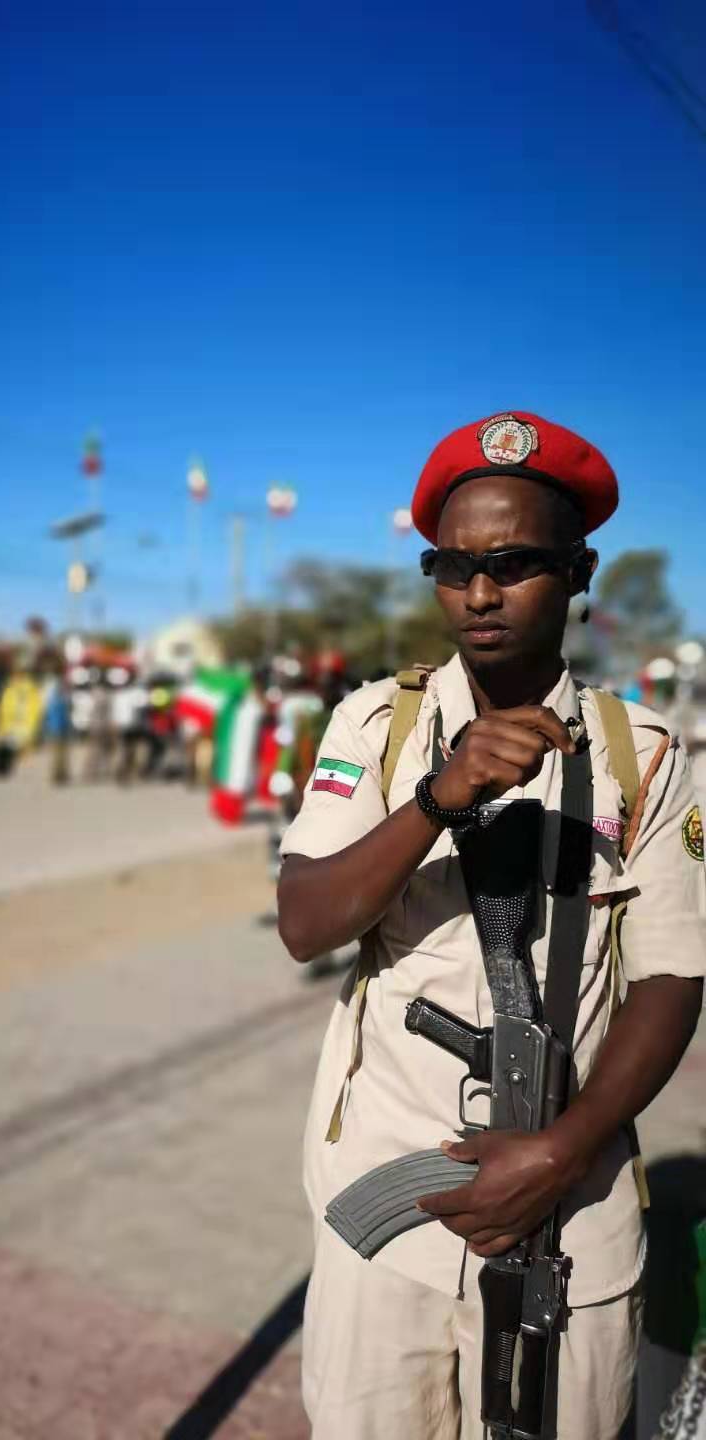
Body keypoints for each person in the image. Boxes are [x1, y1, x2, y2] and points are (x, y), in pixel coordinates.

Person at [277, 411, 706, 1440]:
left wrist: (560, 1152)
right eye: (451, 565)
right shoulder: (376, 728)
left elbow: (672, 978)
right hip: (389, 1199)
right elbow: (306, 921)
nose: (477, 594)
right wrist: (437, 796)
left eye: (513, 563)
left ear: (578, 570)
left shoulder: (643, 754)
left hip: (572, 1202)